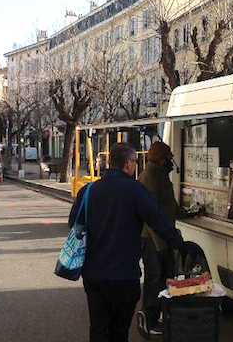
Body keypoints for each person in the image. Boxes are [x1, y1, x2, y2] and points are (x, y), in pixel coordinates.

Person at [69, 143, 185, 342]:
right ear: (129, 164)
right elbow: (157, 221)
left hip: (94, 275)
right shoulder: (135, 190)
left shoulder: (88, 191)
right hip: (124, 275)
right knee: (119, 330)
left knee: (98, 327)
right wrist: (179, 244)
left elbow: (74, 224)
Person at [138, 142, 185, 335]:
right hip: (153, 239)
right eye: (168, 158)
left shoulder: (159, 175)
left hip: (161, 236)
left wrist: (184, 213)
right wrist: (161, 245)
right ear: (160, 158)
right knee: (154, 278)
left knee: (164, 277)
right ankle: (149, 320)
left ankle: (161, 316)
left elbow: (169, 205)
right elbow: (151, 215)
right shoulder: (151, 177)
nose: (171, 162)